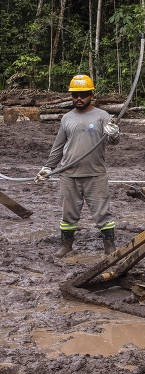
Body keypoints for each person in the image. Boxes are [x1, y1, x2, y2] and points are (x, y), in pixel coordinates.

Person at [36, 74, 120, 258]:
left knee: (102, 213)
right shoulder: (66, 118)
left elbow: (114, 141)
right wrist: (48, 168)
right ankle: (66, 245)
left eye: (82, 94)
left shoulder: (102, 116)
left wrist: (113, 133)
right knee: (69, 213)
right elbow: (58, 147)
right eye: (75, 95)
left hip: (95, 174)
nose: (78, 99)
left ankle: (109, 246)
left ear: (91, 94)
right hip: (68, 174)